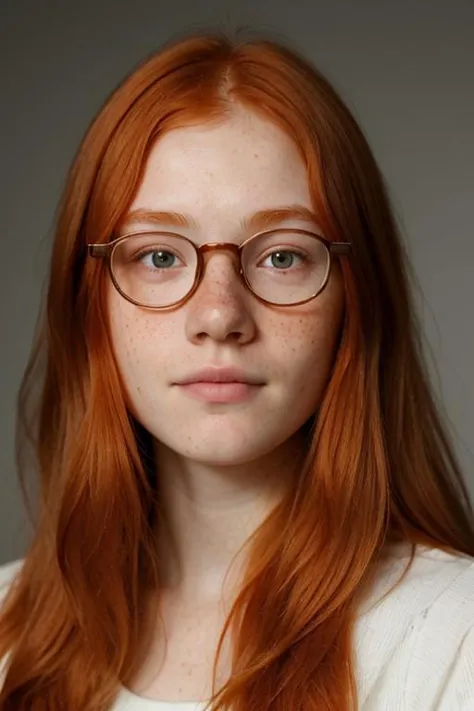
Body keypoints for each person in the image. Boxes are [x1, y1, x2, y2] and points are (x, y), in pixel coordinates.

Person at [0, 27, 473, 711]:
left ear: (357, 297)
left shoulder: (451, 637)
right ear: (89, 301)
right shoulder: (9, 631)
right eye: (160, 256)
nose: (219, 315)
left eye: (282, 255)